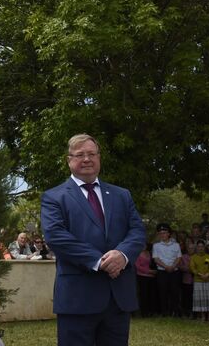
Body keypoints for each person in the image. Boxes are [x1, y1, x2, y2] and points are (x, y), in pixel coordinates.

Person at [41, 133, 146, 346]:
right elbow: (57, 237)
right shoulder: (54, 197)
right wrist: (101, 262)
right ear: (69, 160)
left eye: (91, 154)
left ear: (99, 158)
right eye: (80, 155)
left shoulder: (122, 195)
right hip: (77, 299)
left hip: (117, 299)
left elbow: (137, 231)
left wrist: (122, 255)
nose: (87, 159)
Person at [152, 223, 182, 317]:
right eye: (160, 233)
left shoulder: (176, 245)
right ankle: (164, 312)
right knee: (163, 292)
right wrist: (166, 267)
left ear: (169, 234)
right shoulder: (156, 246)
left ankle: (175, 312)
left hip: (174, 271)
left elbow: (179, 258)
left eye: (164, 233)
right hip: (162, 272)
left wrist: (172, 266)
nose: (162, 235)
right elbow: (156, 259)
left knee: (175, 292)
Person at [190, 240, 209, 321]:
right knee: (201, 299)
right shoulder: (193, 257)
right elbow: (192, 268)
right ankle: (202, 317)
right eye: (199, 247)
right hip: (198, 281)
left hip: (208, 280)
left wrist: (207, 274)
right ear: (197, 248)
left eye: (202, 246)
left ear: (204, 247)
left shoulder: (208, 257)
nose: (200, 248)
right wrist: (200, 274)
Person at [135, 243, 157, 317]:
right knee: (144, 295)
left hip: (151, 277)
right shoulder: (137, 253)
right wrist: (149, 271)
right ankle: (144, 312)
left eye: (145, 244)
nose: (144, 246)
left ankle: (151, 311)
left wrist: (153, 271)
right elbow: (137, 266)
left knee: (151, 295)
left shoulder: (149, 253)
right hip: (142, 276)